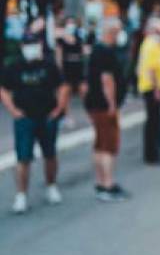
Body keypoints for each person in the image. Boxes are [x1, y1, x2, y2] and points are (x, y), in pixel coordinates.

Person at [1, 36, 69, 213]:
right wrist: (14, 111)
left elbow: (62, 86)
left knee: (50, 153)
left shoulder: (48, 65)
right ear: (22, 47)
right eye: (28, 45)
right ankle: (21, 195)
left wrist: (59, 109)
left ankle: (51, 186)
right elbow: (4, 89)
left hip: (47, 116)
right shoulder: (14, 67)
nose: (31, 48)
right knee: (23, 158)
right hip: (25, 118)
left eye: (34, 44)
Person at [84, 19, 129, 201]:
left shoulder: (97, 50)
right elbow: (107, 80)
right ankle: (107, 185)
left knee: (99, 143)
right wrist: (111, 104)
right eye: (117, 31)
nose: (119, 35)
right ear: (111, 32)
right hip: (103, 106)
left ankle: (101, 182)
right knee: (108, 145)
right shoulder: (106, 52)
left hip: (95, 103)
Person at [136, 18, 160, 164]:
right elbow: (152, 69)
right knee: (154, 123)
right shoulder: (152, 45)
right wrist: (156, 89)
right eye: (158, 31)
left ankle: (152, 153)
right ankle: (153, 155)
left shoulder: (147, 43)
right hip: (152, 88)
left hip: (149, 87)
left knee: (153, 121)